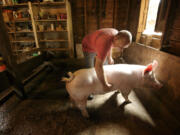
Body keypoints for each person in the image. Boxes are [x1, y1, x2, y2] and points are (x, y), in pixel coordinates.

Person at [82, 28, 132, 94]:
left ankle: (101, 81)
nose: (121, 50)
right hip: (88, 45)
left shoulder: (116, 34)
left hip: (98, 42)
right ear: (116, 38)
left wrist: (109, 57)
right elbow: (98, 66)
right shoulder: (104, 42)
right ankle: (88, 91)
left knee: (105, 65)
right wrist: (105, 85)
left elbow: (110, 45)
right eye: (121, 46)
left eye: (123, 47)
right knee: (89, 69)